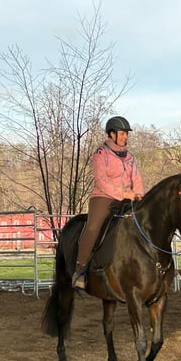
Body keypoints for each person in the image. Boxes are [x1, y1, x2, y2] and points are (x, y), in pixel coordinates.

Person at [72, 116, 145, 290]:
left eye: (126, 134)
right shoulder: (100, 154)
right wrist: (123, 194)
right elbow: (101, 180)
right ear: (111, 134)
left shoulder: (130, 157)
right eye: (122, 133)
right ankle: (80, 270)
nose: (125, 137)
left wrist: (140, 196)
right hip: (103, 196)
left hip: (128, 197)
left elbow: (137, 178)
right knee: (93, 228)